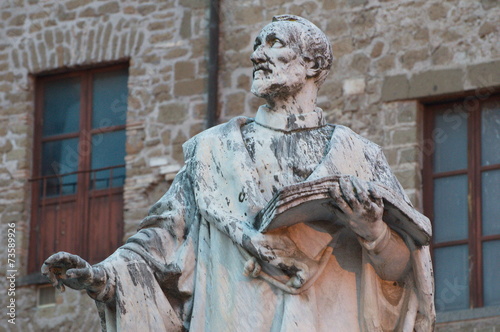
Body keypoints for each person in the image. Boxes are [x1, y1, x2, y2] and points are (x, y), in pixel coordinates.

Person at [42, 15, 435, 332]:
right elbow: (156, 245)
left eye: (274, 44)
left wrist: (374, 232)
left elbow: (400, 274)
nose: (258, 56)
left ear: (314, 65)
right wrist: (102, 277)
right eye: (256, 46)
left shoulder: (359, 156)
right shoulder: (212, 151)